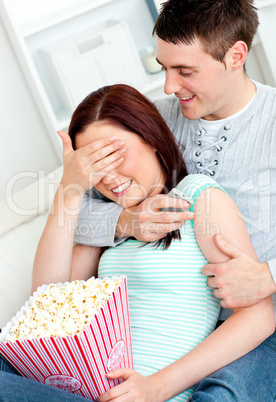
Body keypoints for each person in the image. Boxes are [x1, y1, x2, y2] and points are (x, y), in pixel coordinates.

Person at [1, 84, 274, 402]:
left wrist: (157, 386)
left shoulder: (198, 197)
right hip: (86, 391)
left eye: (115, 154)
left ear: (153, 139)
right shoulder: (107, 229)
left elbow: (258, 316)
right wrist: (71, 188)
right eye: (95, 165)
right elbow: (44, 310)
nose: (109, 176)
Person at [71, 0, 276, 399]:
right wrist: (124, 222)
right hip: (169, 324)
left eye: (185, 71)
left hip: (255, 320)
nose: (168, 86)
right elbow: (72, 211)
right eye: (164, 68)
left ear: (236, 55)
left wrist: (269, 276)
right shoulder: (153, 120)